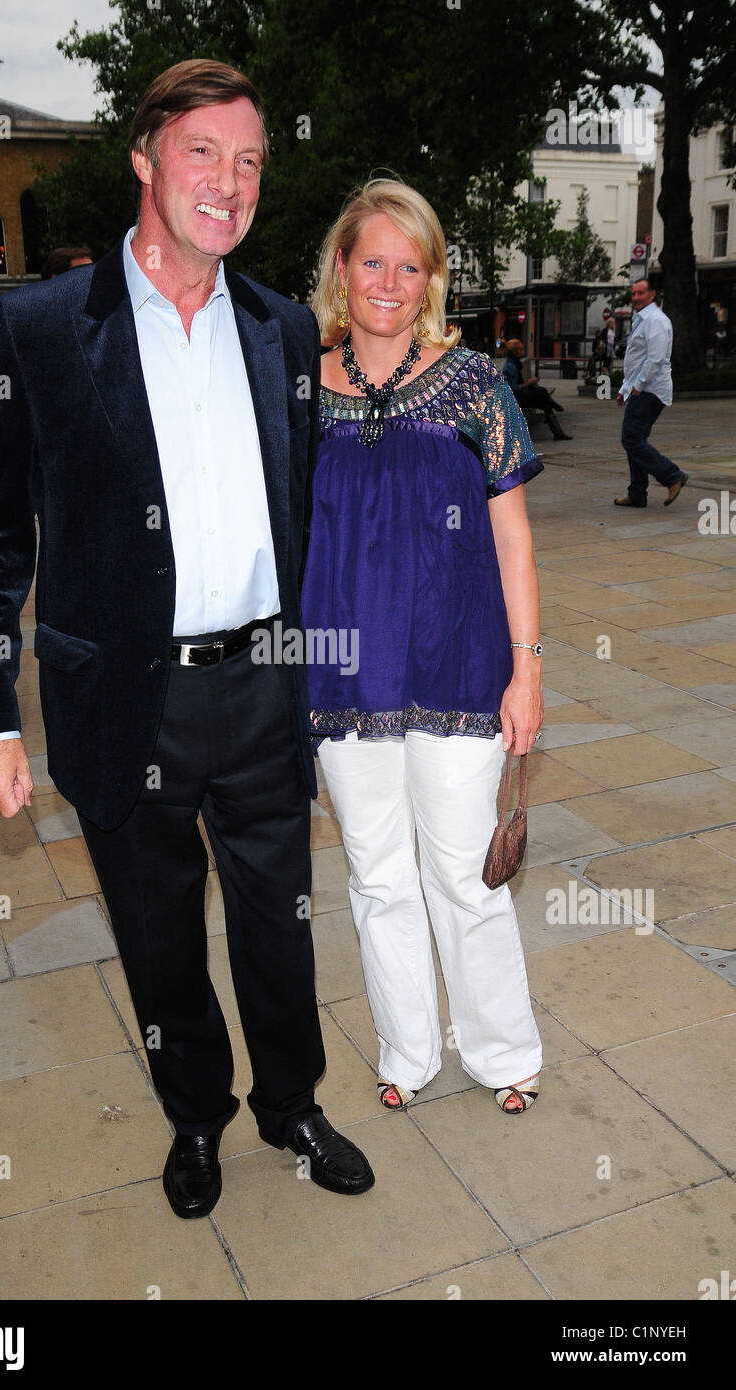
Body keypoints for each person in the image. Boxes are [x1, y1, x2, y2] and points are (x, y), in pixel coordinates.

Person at [0, 59, 374, 1221]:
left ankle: (290, 1102)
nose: (227, 185)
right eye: (203, 154)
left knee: (279, 927)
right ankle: (198, 1115)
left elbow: (310, 518)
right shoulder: (39, 330)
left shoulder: (283, 330)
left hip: (261, 688)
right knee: (156, 940)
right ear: (144, 158)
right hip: (121, 696)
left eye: (247, 163)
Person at [303, 179, 544, 1116]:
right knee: (376, 875)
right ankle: (406, 1049)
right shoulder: (297, 390)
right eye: (373, 260)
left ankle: (500, 1052)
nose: (390, 281)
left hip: (459, 661)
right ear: (341, 268)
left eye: (411, 265)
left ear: (432, 279)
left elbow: (514, 538)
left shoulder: (476, 383)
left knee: (461, 872)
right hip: (341, 667)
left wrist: (528, 667)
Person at [614, 278, 689, 508]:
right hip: (640, 388)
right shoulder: (642, 320)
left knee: (631, 438)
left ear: (652, 295)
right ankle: (637, 493)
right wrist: (625, 388)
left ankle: (672, 475)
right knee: (635, 439)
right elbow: (637, 359)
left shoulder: (655, 320)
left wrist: (637, 385)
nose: (636, 297)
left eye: (641, 293)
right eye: (633, 293)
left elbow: (655, 359)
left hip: (650, 389)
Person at [500, 339, 571, 440]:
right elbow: (512, 389)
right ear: (514, 351)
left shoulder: (515, 363)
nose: (523, 351)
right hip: (516, 399)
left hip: (519, 396)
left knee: (544, 402)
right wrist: (527, 384)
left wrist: (528, 383)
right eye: (520, 349)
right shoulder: (511, 366)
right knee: (541, 392)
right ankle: (556, 425)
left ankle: (558, 432)